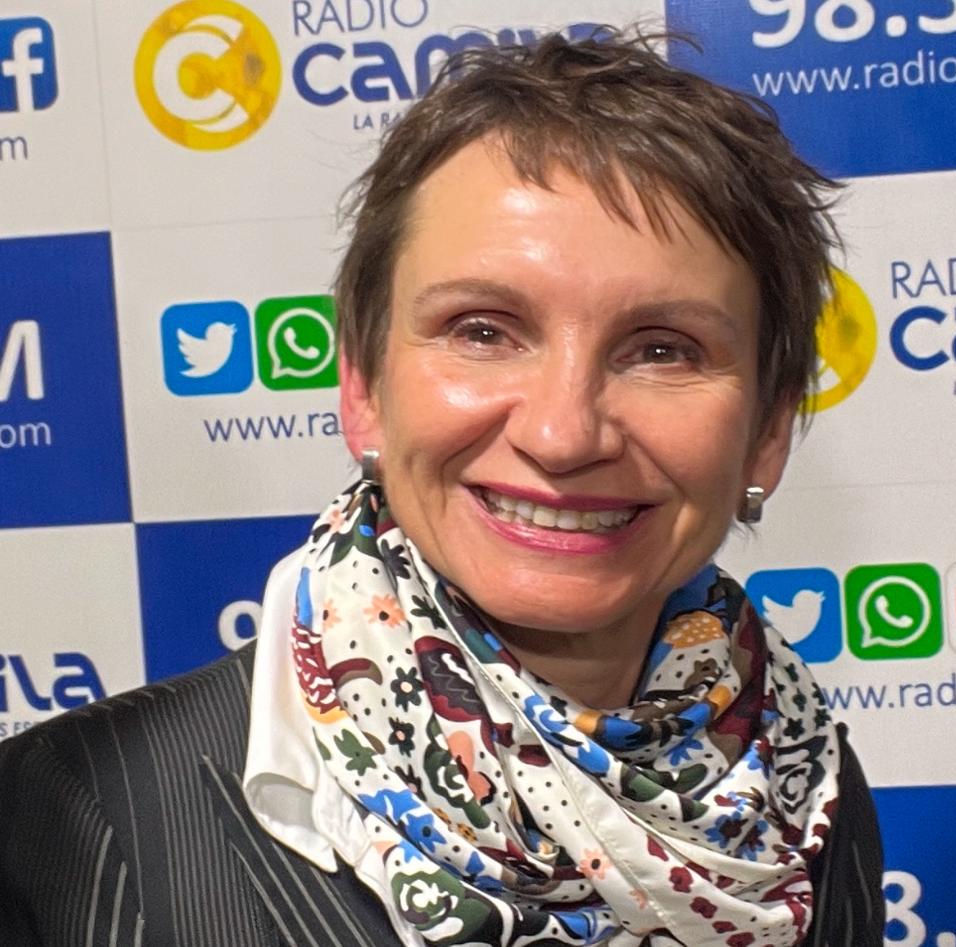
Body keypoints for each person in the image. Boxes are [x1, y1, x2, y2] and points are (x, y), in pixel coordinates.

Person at [0, 29, 884, 946]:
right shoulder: (69, 819)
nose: (563, 433)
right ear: (362, 388)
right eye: (482, 330)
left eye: (663, 349)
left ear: (767, 432)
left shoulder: (797, 783)